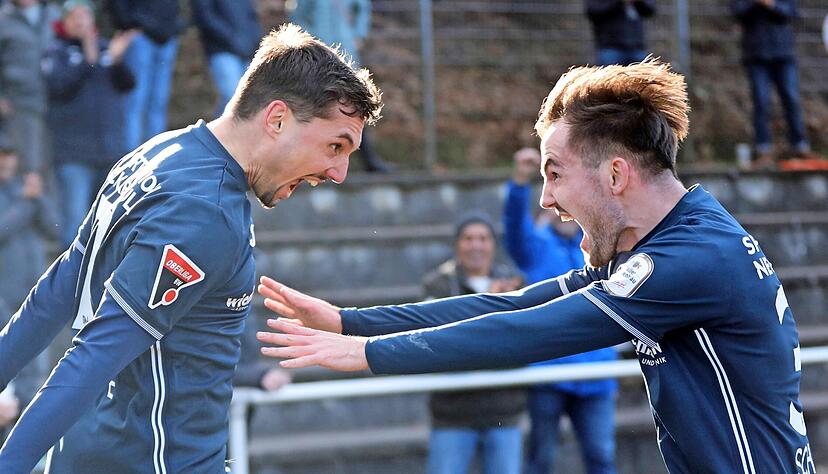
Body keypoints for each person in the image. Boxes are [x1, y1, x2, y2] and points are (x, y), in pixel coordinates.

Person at [257, 59, 816, 473]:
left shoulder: (689, 260)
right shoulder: (673, 241)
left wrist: (367, 355)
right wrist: (349, 322)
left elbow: (529, 332)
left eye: (555, 173)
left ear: (616, 176)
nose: (546, 199)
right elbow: (518, 303)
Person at [0, 23, 382, 473]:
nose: (338, 173)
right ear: (277, 119)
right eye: (335, 146)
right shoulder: (207, 212)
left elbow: (56, 293)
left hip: (85, 455)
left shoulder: (161, 152)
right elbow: (96, 352)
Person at [505, 147, 617, 474]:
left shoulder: (601, 243)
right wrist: (520, 181)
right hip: (549, 374)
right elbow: (514, 228)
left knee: (602, 459)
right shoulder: (536, 246)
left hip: (597, 376)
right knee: (541, 459)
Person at [422, 213, 525, 474]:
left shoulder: (515, 283)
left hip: (504, 410)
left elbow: (523, 344)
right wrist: (490, 306)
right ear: (457, 244)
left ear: (493, 244)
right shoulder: (437, 283)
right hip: (451, 413)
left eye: (483, 238)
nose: (476, 245)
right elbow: (434, 343)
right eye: (468, 238)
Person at [44, 0, 136, 248]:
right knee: (74, 221)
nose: (81, 22)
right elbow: (58, 86)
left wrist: (117, 61)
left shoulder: (108, 49)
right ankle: (68, 283)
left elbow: (128, 84)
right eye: (75, 17)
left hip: (110, 154)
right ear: (64, 23)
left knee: (110, 222)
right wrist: (87, 57)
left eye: (85, 16)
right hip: (73, 155)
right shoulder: (56, 52)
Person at [290, 0, 393, 173]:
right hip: (319, 61)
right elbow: (297, 17)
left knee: (356, 106)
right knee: (318, 109)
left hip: (347, 56)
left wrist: (358, 34)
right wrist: (311, 43)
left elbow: (363, 8)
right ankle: (311, 163)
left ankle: (369, 160)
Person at [0, 137, 58, 414]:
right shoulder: (20, 197)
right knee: (8, 362)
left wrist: (39, 198)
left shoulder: (23, 191)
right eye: (2, 154)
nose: (6, 161)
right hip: (4, 294)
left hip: (33, 289)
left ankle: (28, 430)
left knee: (37, 367)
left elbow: (54, 229)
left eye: (9, 154)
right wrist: (28, 202)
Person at [731, 0, 823, 167]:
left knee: (791, 98)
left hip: (784, 54)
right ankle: (763, 149)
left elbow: (792, 13)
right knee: (761, 102)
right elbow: (737, 13)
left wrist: (771, 5)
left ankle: (800, 146)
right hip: (755, 55)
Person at [106, 0, 182, 151]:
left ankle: (156, 159)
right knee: (135, 102)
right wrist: (129, 25)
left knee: (158, 102)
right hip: (139, 37)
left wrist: (175, 26)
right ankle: (130, 161)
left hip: (166, 38)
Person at [0, 0, 61, 173]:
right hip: (19, 102)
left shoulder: (55, 14)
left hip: (58, 101)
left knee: (54, 166)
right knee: (25, 166)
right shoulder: (3, 19)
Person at [192, 0, 263, 117]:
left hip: (246, 51)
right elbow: (205, 16)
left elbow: (251, 16)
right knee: (233, 97)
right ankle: (216, 134)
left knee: (249, 99)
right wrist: (232, 38)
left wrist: (252, 40)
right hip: (221, 49)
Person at [585, 0, 655, 66]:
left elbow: (649, 9)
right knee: (610, 78)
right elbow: (593, 10)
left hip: (636, 48)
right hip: (610, 48)